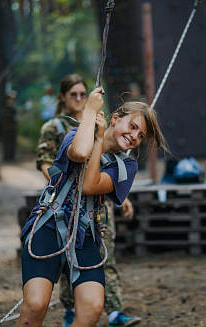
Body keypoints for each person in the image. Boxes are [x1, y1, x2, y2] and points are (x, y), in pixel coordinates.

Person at [17, 87, 168, 327]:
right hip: (48, 226)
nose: (135, 136)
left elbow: (89, 185)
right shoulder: (75, 135)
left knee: (93, 308)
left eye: (141, 135)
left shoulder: (126, 167)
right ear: (115, 119)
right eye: (132, 126)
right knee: (35, 305)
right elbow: (78, 153)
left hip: (83, 235)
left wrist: (99, 140)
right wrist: (89, 112)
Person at [35, 74, 141, 327]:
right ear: (62, 97)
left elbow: (109, 171)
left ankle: (114, 311)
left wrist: (118, 194)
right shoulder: (58, 128)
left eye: (83, 94)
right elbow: (46, 162)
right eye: (74, 94)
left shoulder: (99, 126)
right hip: (63, 202)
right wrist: (61, 184)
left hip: (97, 205)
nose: (80, 99)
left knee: (106, 254)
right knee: (64, 257)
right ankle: (70, 309)